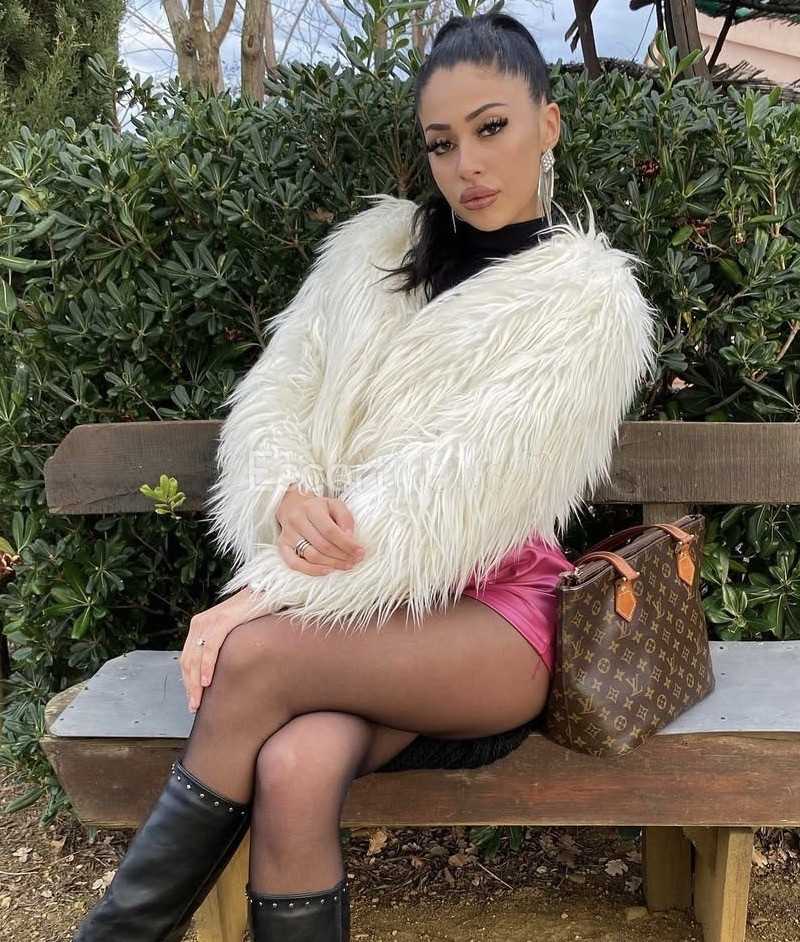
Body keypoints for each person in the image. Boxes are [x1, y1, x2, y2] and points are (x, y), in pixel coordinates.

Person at [70, 11, 657, 942]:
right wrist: (284, 494)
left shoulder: (588, 303)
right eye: (442, 142)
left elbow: (453, 492)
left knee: (251, 656)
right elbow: (282, 394)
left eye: (492, 127)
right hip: (357, 615)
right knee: (294, 766)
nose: (468, 163)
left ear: (548, 123)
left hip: (492, 622)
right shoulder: (373, 256)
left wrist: (269, 591)